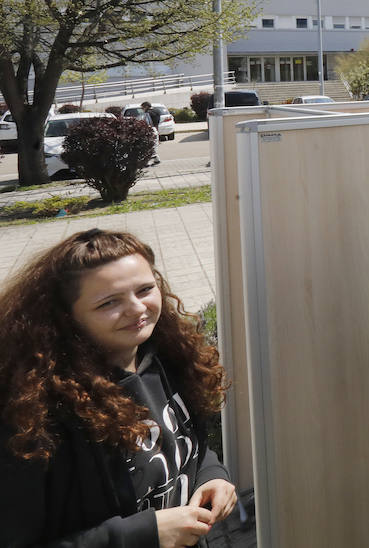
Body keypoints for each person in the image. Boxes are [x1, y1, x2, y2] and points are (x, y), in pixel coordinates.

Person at [0, 229, 236, 546]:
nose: (137, 309)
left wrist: (213, 475)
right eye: (109, 302)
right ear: (66, 317)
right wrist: (143, 534)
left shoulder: (166, 358)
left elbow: (189, 447)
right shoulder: (33, 415)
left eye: (145, 289)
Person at [141, 101, 162, 166]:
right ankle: (157, 160)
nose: (142, 109)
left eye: (143, 108)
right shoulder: (157, 111)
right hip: (155, 129)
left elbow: (147, 122)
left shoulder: (147, 113)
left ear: (146, 106)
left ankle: (146, 162)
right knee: (153, 145)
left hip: (150, 130)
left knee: (148, 146)